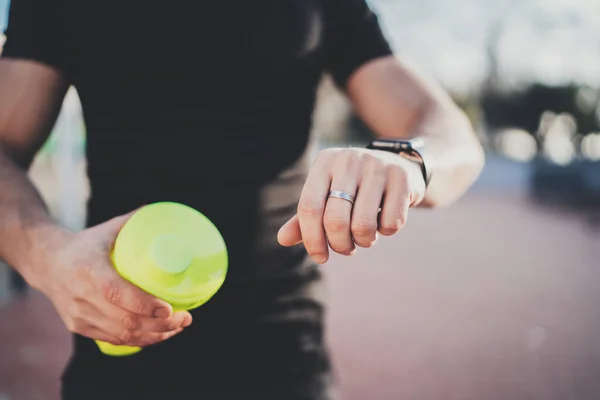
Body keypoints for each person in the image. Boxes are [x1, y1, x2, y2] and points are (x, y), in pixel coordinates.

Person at [0, 0, 484, 399]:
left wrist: (407, 159)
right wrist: (45, 254)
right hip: (118, 339)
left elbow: (453, 138)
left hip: (282, 350)